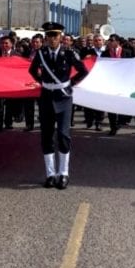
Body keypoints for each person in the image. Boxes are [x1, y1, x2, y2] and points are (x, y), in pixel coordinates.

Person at [28, 22, 88, 189]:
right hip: (46, 97)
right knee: (46, 136)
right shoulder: (41, 53)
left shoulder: (69, 53)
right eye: (49, 35)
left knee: (63, 135)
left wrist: (71, 83)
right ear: (46, 37)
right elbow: (32, 71)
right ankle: (50, 174)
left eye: (55, 35)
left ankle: (63, 173)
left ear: (61, 37)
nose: (52, 38)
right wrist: (43, 82)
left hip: (63, 97)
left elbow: (83, 70)